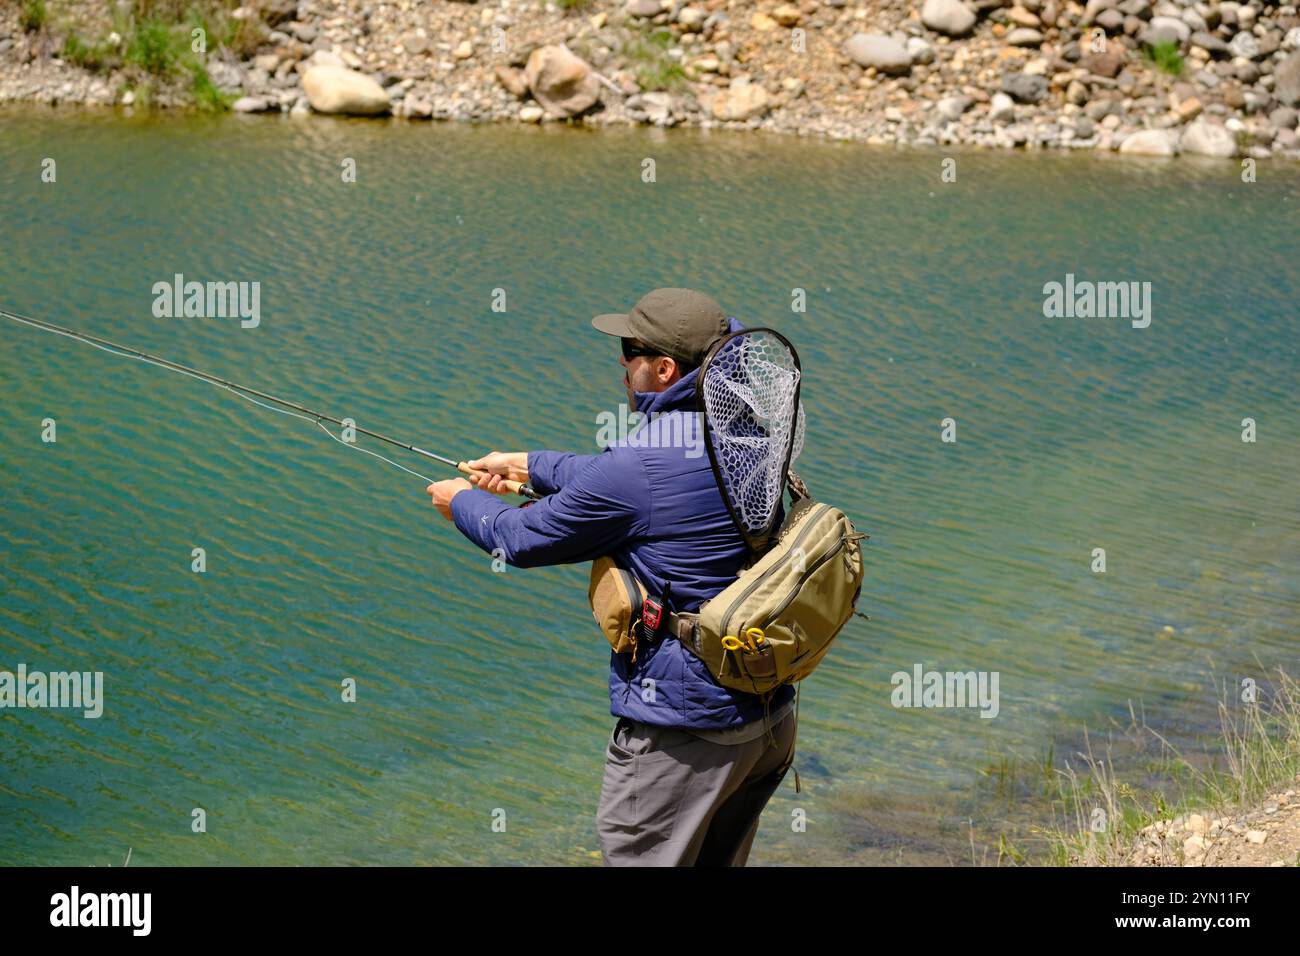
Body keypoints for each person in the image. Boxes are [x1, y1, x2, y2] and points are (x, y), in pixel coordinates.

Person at [426, 288, 797, 866]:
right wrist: (524, 463)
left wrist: (461, 503)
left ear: (665, 368)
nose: (621, 367)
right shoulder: (745, 433)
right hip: (764, 716)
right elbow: (619, 477)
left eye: (630, 353)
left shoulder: (642, 464)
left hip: (685, 732)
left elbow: (519, 539)